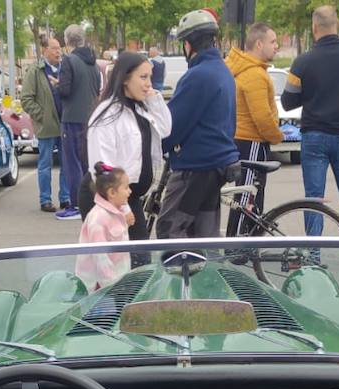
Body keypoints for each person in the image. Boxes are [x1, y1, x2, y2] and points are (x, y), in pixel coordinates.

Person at [281, 6, 339, 238]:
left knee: (313, 198)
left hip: (314, 136)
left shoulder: (302, 62)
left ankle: (313, 254)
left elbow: (287, 102)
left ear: (314, 28)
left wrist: (311, 96)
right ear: (338, 24)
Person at [156, 8, 237, 239]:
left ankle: (179, 275)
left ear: (188, 45)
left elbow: (173, 125)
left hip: (195, 168)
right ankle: (205, 274)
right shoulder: (222, 70)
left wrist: (154, 147)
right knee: (203, 236)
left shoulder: (197, 76)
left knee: (171, 230)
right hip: (216, 164)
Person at [83, 50, 171, 245]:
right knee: (116, 266)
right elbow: (102, 166)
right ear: (124, 78)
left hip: (127, 196)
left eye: (150, 77)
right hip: (109, 197)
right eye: (143, 77)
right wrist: (122, 209)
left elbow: (165, 129)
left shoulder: (139, 107)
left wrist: (154, 98)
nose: (148, 83)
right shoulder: (107, 114)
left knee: (137, 263)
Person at [226, 22, 283, 235]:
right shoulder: (254, 74)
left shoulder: (248, 69)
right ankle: (238, 244)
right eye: (273, 41)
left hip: (244, 139)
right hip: (251, 142)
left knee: (248, 195)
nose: (276, 46)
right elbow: (262, 116)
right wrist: (277, 136)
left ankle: (245, 239)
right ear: (259, 44)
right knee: (247, 196)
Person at [19, 34, 71, 213]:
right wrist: (40, 115)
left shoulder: (65, 68)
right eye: (54, 48)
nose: (59, 52)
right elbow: (26, 98)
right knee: (45, 164)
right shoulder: (35, 70)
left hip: (65, 124)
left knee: (66, 163)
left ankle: (66, 198)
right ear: (45, 50)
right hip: (47, 126)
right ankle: (45, 200)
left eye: (59, 48)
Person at [56, 24, 101, 221]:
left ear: (67, 41)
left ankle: (75, 204)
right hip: (90, 118)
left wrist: (57, 85)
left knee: (71, 163)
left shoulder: (68, 60)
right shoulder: (94, 63)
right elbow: (98, 88)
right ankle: (89, 200)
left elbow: (65, 91)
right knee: (87, 163)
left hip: (72, 117)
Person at [77, 162, 135, 290]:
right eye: (126, 188)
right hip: (101, 290)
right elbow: (100, 258)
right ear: (112, 193)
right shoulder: (98, 219)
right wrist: (112, 289)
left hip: (118, 283)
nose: (129, 191)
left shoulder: (117, 213)